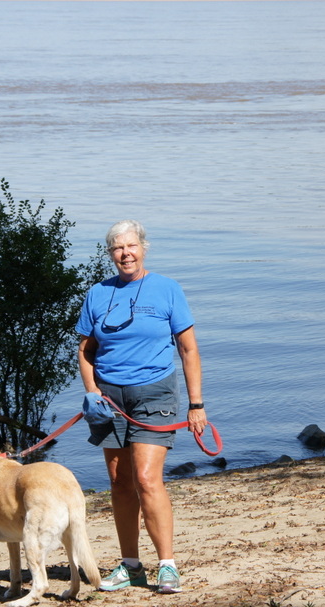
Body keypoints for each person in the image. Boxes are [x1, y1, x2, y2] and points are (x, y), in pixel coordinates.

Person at [76, 219, 207, 595]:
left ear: (143, 248)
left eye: (131, 246)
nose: (125, 254)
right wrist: (92, 392)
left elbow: (188, 349)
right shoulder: (97, 294)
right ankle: (131, 565)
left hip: (154, 394)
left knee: (147, 479)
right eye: (117, 248)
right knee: (119, 483)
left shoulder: (167, 289)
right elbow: (86, 351)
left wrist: (196, 405)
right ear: (110, 254)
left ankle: (167, 565)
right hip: (108, 399)